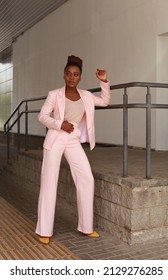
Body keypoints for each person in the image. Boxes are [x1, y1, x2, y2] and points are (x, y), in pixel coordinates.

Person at [35, 55, 110, 244]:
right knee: (49, 182)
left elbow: (104, 101)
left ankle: (86, 227)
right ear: (64, 75)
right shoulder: (54, 94)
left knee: (86, 178)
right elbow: (42, 116)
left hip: (73, 140)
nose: (71, 77)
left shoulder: (86, 95)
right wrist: (60, 123)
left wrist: (104, 82)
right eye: (68, 74)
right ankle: (44, 230)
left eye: (75, 74)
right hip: (55, 139)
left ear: (80, 77)